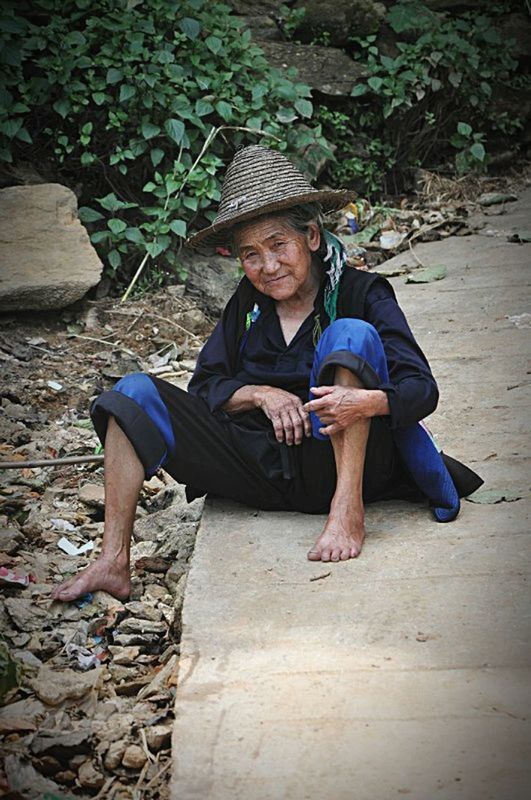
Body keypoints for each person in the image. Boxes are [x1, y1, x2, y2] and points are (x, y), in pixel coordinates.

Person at [51, 145, 482, 602]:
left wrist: (365, 402)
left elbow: (421, 388)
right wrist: (260, 394)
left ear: (312, 237)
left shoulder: (363, 292)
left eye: (279, 245)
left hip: (344, 462)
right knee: (132, 392)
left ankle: (345, 511)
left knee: (350, 335)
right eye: (250, 254)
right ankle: (112, 560)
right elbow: (206, 387)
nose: (268, 266)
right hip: (259, 467)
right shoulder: (249, 302)